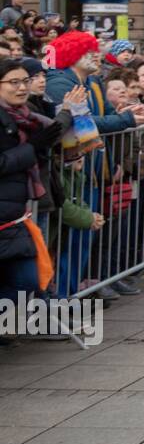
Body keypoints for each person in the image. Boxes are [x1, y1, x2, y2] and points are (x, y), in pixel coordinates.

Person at [0, 58, 71, 334]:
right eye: (13, 82)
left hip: (14, 214)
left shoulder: (27, 118)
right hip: (6, 216)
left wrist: (39, 147)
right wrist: (33, 148)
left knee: (28, 279)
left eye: (24, 82)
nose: (21, 88)